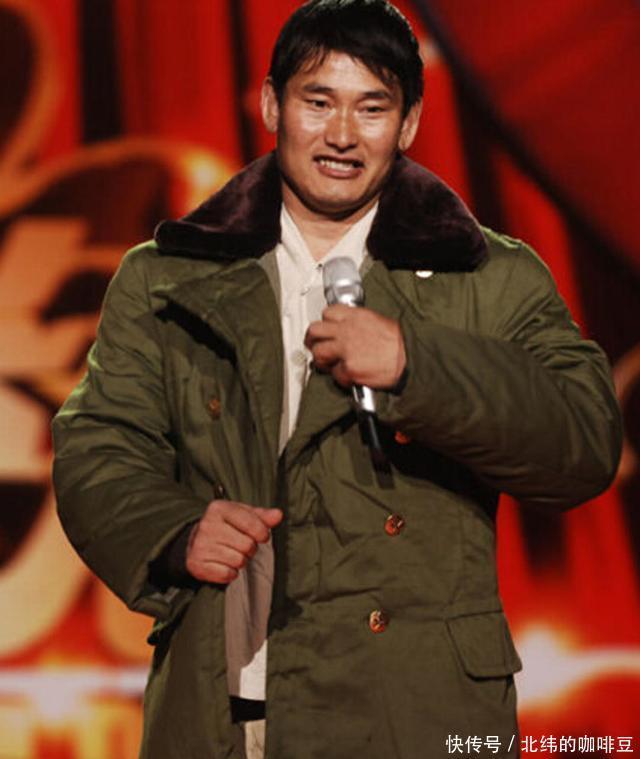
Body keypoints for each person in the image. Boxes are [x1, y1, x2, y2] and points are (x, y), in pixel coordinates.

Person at [51, 1, 622, 757]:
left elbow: (584, 438)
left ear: (408, 124)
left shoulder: (489, 276)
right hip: (230, 703)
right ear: (271, 105)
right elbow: (98, 445)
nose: (342, 135)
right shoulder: (166, 278)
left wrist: (417, 366)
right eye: (318, 102)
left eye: (371, 108)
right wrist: (173, 529)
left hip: (416, 712)